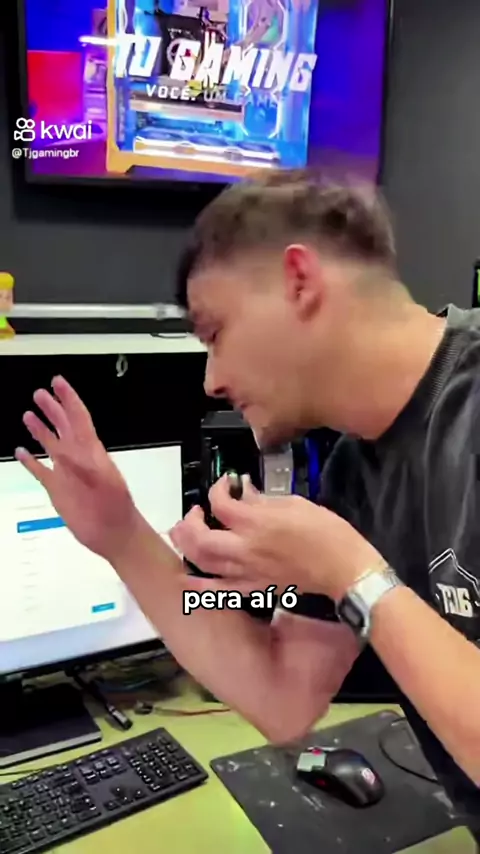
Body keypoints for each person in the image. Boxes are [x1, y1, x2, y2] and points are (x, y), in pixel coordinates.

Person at [16, 170, 480, 844]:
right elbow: (281, 697)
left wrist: (351, 574)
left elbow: (353, 575)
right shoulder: (354, 474)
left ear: (299, 281)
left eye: (215, 332)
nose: (210, 379)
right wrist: (122, 536)